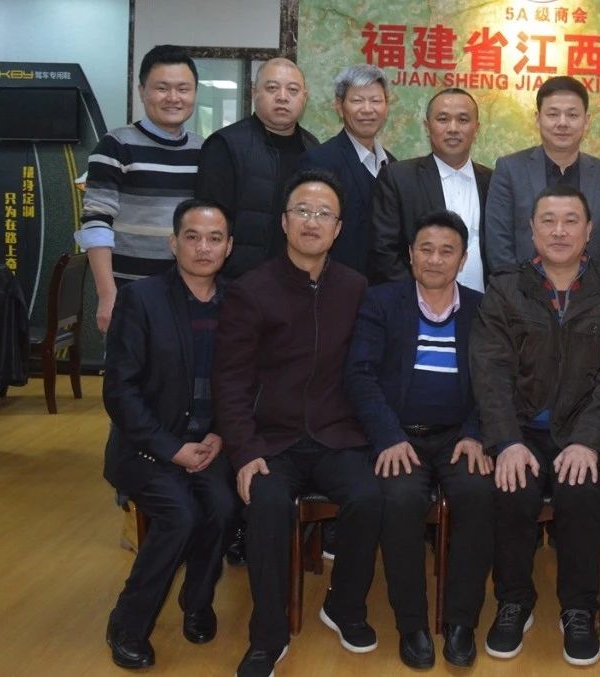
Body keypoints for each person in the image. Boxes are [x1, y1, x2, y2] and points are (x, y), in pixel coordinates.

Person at [213, 170, 382, 677]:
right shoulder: (251, 290)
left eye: (324, 214)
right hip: (272, 440)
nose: (312, 222)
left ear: (338, 228)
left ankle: (343, 605)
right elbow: (230, 382)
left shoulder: (356, 288)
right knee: (266, 504)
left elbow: (369, 371)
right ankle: (268, 634)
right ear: (285, 222)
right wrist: (245, 451)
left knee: (370, 494)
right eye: (303, 211)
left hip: (337, 434)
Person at [471, 185, 600, 667]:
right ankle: (514, 600)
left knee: (581, 491)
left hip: (582, 431)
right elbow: (490, 372)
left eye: (571, 221)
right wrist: (506, 441)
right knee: (512, 488)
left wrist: (589, 442)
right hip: (522, 429)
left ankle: (579, 609)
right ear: (532, 230)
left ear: (589, 230)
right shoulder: (505, 289)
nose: (559, 231)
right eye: (548, 220)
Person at [345, 210, 494, 669]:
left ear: (463, 259)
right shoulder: (381, 302)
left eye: (447, 251)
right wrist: (388, 436)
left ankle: (461, 622)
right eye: (425, 249)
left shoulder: (482, 308)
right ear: (410, 255)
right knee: (401, 500)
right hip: (399, 436)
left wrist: (475, 433)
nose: (435, 259)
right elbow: (360, 375)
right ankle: (412, 624)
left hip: (458, 437)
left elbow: (496, 381)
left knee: (479, 493)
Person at [103, 199, 238, 670]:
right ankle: (127, 623)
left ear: (229, 246)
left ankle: (196, 602)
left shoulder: (238, 303)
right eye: (192, 237)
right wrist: (171, 448)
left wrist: (221, 434)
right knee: (180, 515)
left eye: (215, 238)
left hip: (210, 444)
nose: (203, 248)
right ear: (173, 243)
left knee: (223, 507)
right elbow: (119, 391)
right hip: (149, 447)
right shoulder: (141, 299)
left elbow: (247, 381)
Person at [77, 45, 202, 332]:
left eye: (183, 89)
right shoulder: (115, 146)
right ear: (142, 91)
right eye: (162, 88)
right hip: (129, 294)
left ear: (195, 93)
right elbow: (96, 222)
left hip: (187, 293)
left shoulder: (203, 150)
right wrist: (107, 295)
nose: (173, 98)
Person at [484, 76, 600, 273]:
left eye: (572, 115)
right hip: (521, 289)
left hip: (595, 290)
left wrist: (594, 290)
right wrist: (520, 290)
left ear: (586, 121)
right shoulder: (509, 169)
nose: (562, 123)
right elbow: (498, 244)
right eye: (553, 114)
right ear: (538, 119)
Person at [196, 57, 319, 280]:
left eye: (293, 90)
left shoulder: (313, 148)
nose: (282, 97)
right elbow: (208, 222)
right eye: (272, 88)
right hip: (237, 280)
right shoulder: (226, 145)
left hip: (296, 277)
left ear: (304, 97)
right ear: (254, 92)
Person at [369, 87, 491, 291]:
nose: (453, 128)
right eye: (443, 119)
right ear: (427, 126)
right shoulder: (398, 178)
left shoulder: (493, 181)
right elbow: (384, 251)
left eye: (463, 120)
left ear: (476, 128)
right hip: (416, 303)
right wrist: (423, 298)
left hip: (486, 305)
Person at [300, 64, 398, 275]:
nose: (367, 109)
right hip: (336, 283)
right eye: (357, 100)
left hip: (385, 286)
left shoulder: (393, 165)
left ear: (386, 106)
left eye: (375, 100)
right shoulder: (319, 161)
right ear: (339, 106)